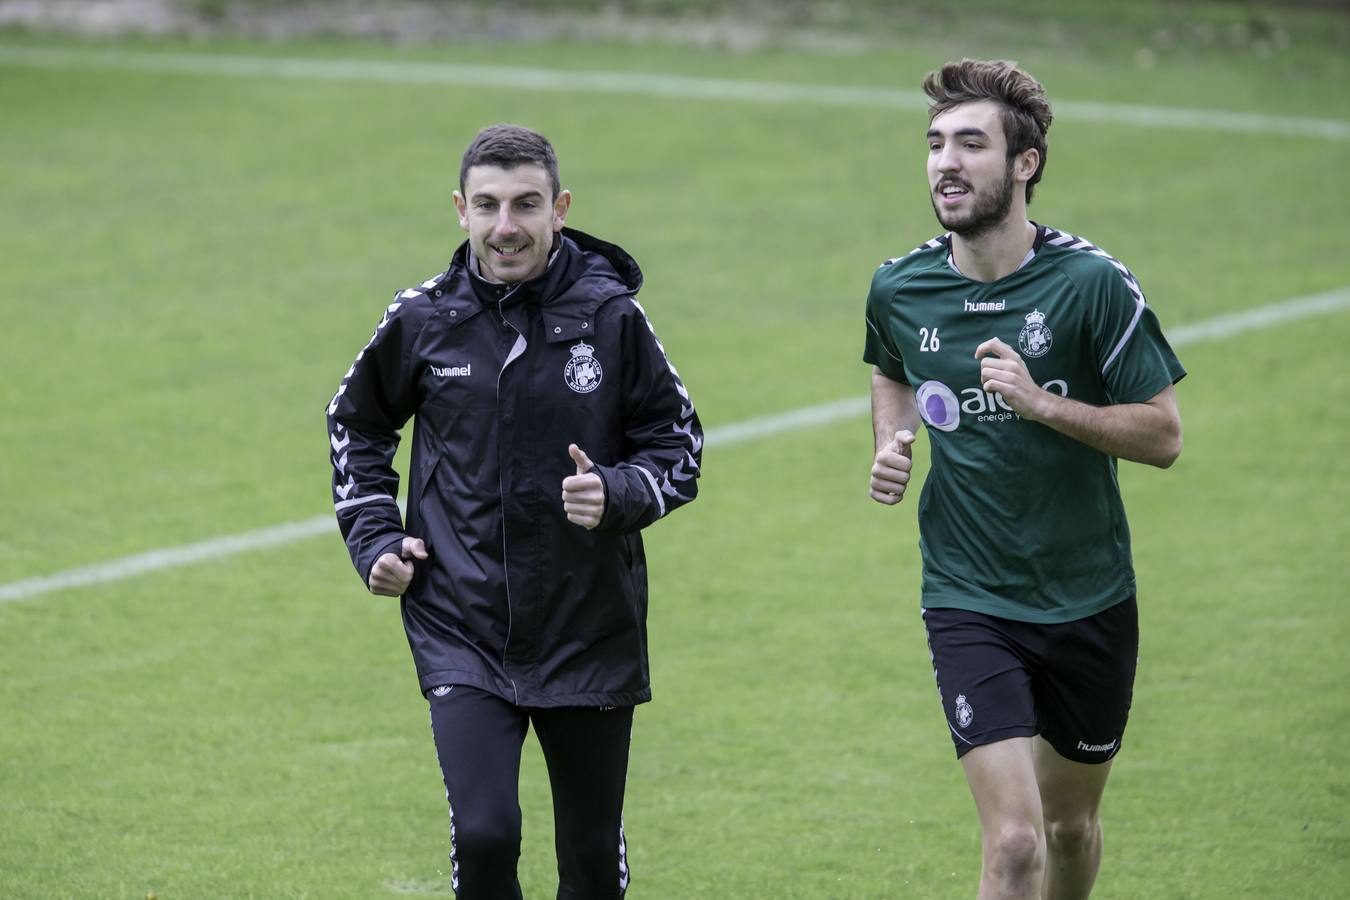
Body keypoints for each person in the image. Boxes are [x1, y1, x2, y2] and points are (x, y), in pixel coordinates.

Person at [327, 124, 701, 899]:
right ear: (460, 209)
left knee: (590, 859)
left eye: (526, 204)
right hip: (460, 621)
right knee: (485, 833)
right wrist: (375, 537)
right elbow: (356, 423)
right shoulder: (424, 319)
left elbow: (679, 445)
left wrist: (617, 493)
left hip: (588, 623)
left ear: (559, 209)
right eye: (488, 205)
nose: (506, 226)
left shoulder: (612, 318)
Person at [862, 60, 1185, 899]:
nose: (946, 163)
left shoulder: (1091, 284)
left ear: (1025, 163)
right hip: (968, 594)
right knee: (1013, 843)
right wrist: (891, 441)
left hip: (1089, 596)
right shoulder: (900, 286)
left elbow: (1163, 436)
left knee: (1069, 828)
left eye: (972, 144)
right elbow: (891, 367)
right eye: (936, 143)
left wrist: (1042, 404)